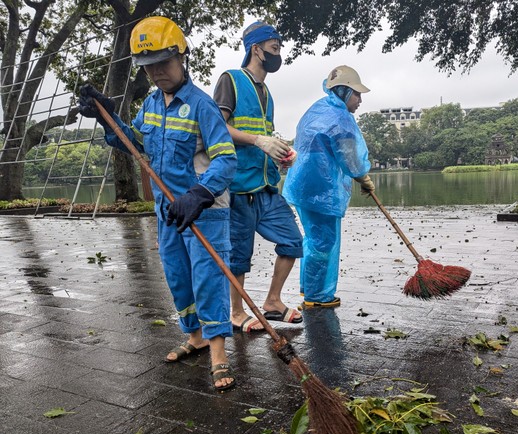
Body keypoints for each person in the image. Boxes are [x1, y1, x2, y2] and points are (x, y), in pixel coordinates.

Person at [77, 16, 238, 391]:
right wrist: (107, 117)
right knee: (178, 277)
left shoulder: (202, 106)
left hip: (204, 210)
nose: (156, 72)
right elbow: (134, 143)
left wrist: (200, 194)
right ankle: (195, 337)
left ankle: (218, 352)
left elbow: (226, 158)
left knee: (208, 278)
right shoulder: (151, 103)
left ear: (183, 57)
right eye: (148, 66)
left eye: (163, 62)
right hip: (168, 211)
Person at [213, 21, 303, 332]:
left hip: (266, 187)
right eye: (274, 49)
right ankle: (236, 313)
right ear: (256, 49)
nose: (278, 55)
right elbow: (217, 128)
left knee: (293, 241)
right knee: (238, 255)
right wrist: (258, 141)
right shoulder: (231, 80)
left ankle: (273, 302)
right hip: (238, 187)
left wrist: (278, 155)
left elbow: (263, 135)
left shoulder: (268, 93)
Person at [282, 66, 374, 307]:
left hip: (302, 186)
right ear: (343, 91)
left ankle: (308, 288)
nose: (360, 100)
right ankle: (318, 296)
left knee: (312, 239)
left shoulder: (317, 109)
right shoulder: (341, 118)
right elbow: (350, 157)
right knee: (324, 242)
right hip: (322, 190)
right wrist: (363, 177)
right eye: (357, 94)